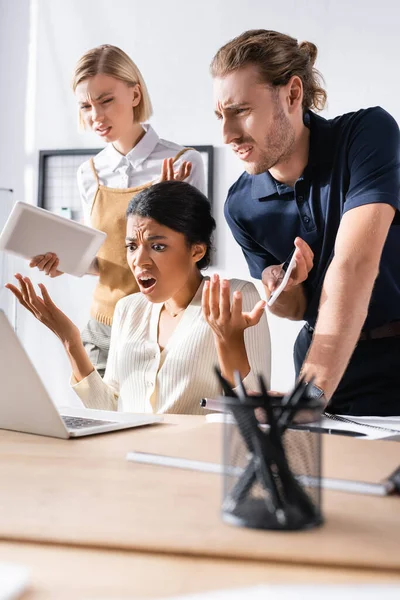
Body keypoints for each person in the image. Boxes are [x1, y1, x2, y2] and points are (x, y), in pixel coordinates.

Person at [211, 29, 400, 416]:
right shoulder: (240, 205)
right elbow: (294, 310)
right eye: (220, 115)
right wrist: (283, 287)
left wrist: (310, 392)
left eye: (241, 111)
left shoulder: (366, 136)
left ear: (293, 94)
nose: (227, 134)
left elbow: (353, 265)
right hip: (327, 370)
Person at [7, 181, 271, 414]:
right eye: (132, 246)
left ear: (197, 251)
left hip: (195, 464)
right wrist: (70, 341)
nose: (139, 260)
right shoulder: (129, 309)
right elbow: (110, 411)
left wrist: (229, 342)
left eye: (158, 246)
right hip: (130, 462)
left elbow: (255, 417)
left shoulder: (234, 298)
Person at [29, 44, 205, 377]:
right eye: (85, 105)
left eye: (106, 100)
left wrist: (167, 202)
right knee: (99, 421)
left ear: (135, 94)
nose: (96, 116)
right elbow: (106, 262)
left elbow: (193, 254)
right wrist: (64, 261)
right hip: (103, 327)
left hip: (161, 324)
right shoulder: (88, 173)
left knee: (153, 425)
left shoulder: (183, 162)